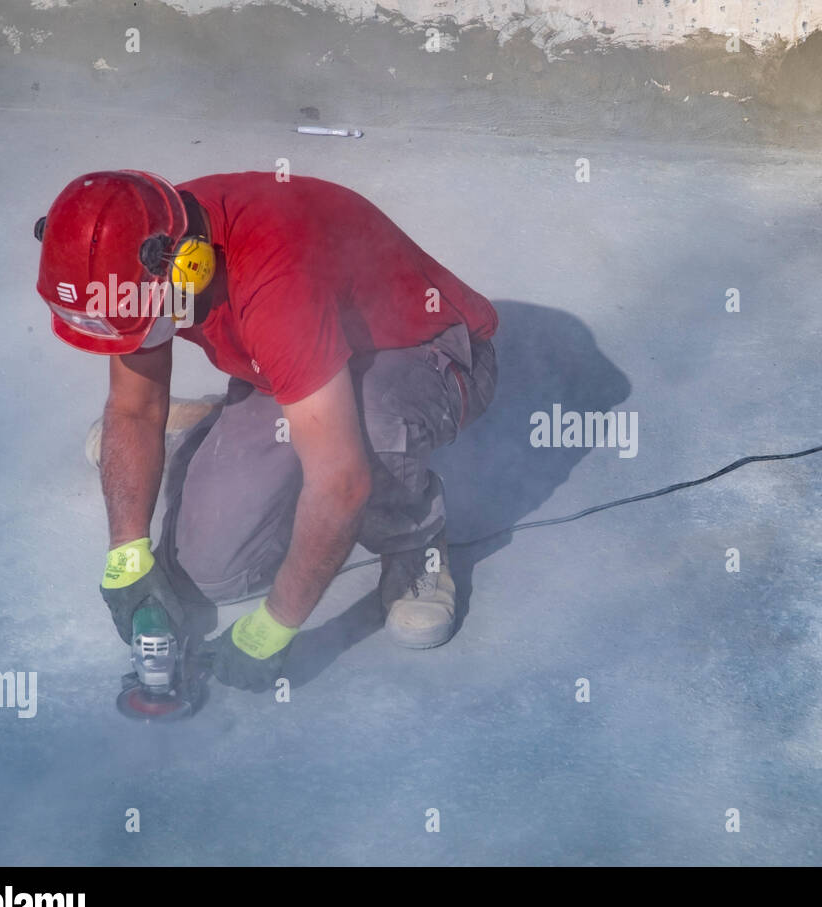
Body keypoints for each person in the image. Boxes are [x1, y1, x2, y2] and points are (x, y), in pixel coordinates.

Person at [34, 169, 497, 691]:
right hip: (291, 366)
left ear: (189, 265)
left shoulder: (273, 275)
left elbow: (340, 483)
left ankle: (415, 541)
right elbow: (135, 408)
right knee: (208, 571)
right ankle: (232, 424)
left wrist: (276, 625)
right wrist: (126, 554)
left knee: (368, 434)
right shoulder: (134, 241)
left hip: (421, 354)